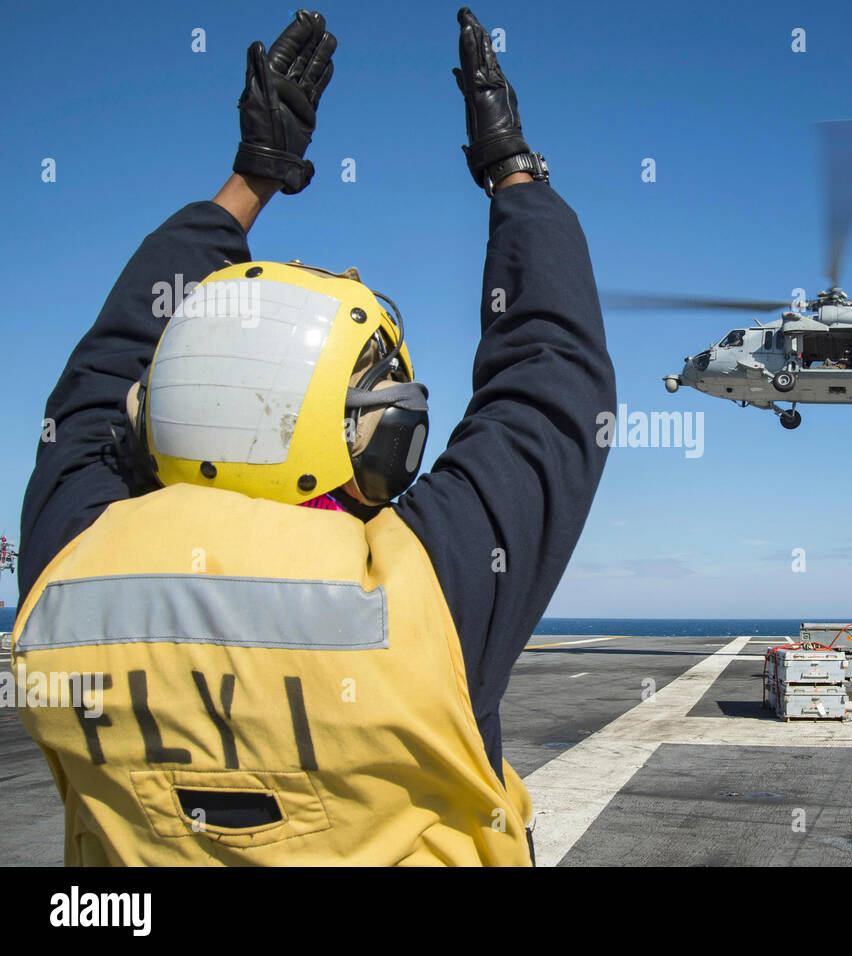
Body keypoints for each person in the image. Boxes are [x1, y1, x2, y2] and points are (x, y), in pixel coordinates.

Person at [13, 8, 614, 866]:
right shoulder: (421, 592)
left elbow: (95, 378)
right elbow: (552, 375)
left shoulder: (66, 568)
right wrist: (515, 176)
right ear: (380, 437)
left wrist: (247, 182)